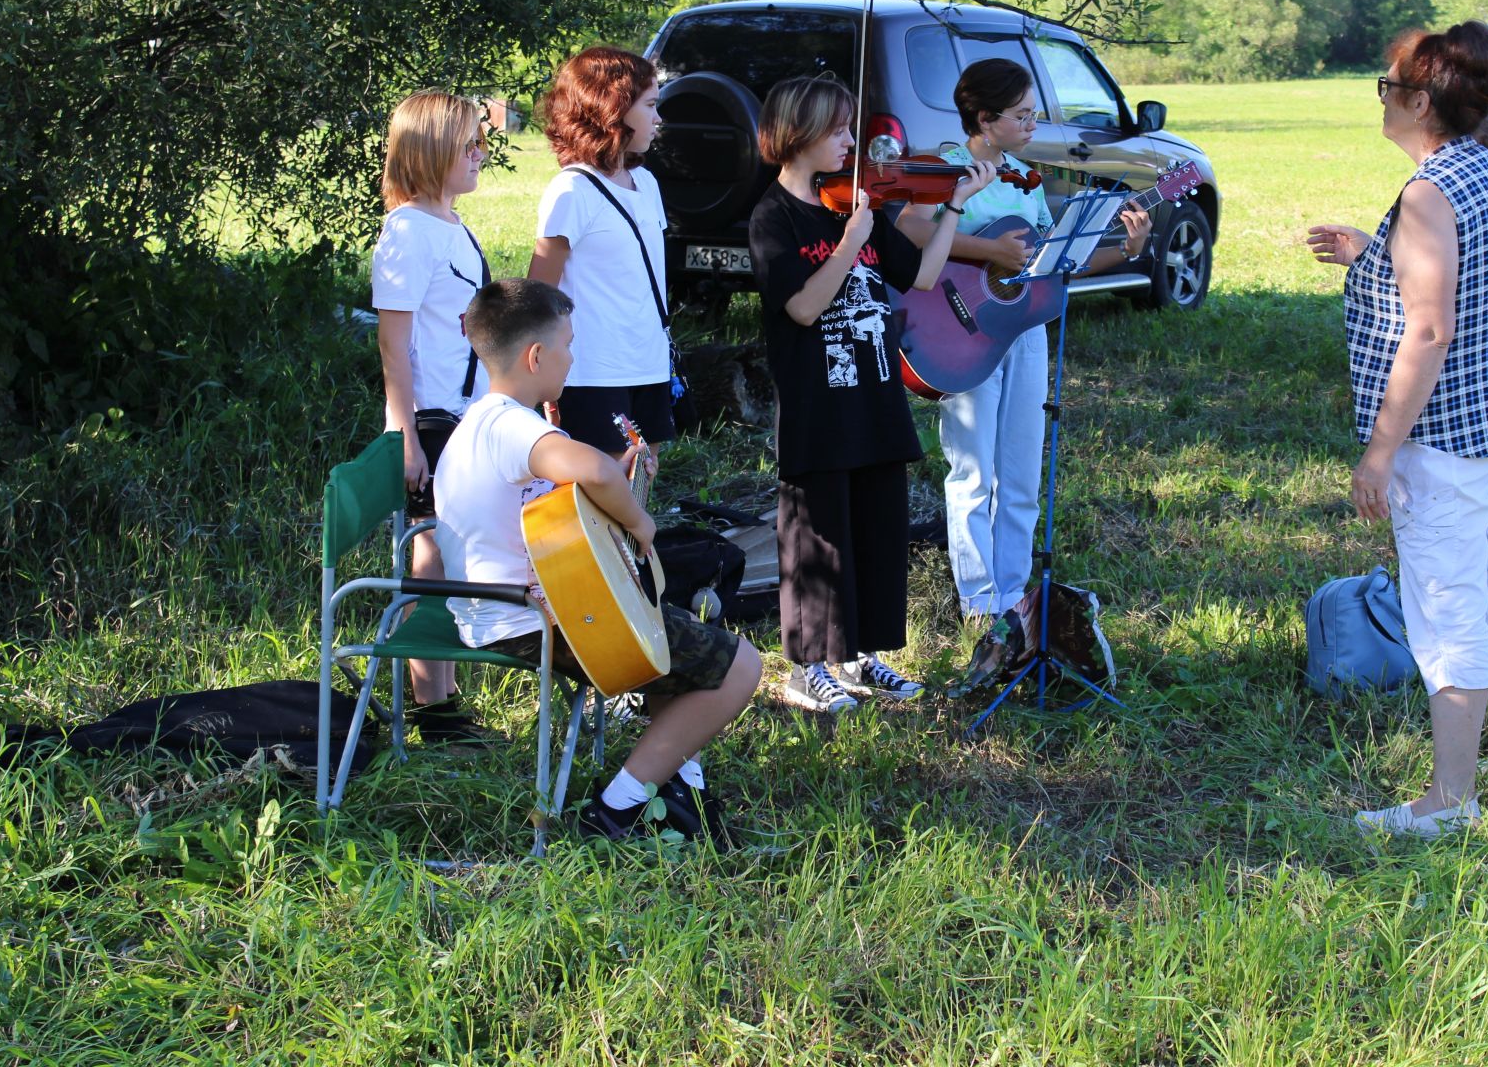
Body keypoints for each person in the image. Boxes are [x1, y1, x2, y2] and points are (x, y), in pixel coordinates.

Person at [1307, 21, 1488, 838]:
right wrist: (1369, 253)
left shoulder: (1428, 193)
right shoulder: (1487, 171)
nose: (1382, 97)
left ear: (1419, 102)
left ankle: (1449, 803)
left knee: (1447, 610)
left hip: (1442, 440)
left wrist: (1379, 452)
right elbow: (1459, 279)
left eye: (1387, 86)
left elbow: (1429, 330)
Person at [432, 278, 762, 842]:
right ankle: (618, 809)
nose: (572, 355)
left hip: (513, 610)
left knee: (665, 630)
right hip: (532, 621)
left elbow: (557, 506)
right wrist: (637, 520)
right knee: (742, 666)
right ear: (536, 356)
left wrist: (615, 483)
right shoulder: (514, 424)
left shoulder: (479, 420)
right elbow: (594, 471)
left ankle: (681, 787)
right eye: (568, 343)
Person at [748, 76, 979, 713]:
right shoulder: (775, 217)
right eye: (840, 131)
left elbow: (924, 275)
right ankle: (807, 668)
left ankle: (861, 658)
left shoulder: (856, 205)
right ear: (798, 135)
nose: (853, 142)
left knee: (877, 529)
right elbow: (800, 306)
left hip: (876, 398)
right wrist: (851, 240)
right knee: (818, 537)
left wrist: (953, 203)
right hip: (818, 406)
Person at [895, 58, 1149, 634]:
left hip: (1024, 332)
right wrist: (987, 254)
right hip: (962, 335)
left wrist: (1127, 250)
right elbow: (910, 230)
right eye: (1023, 115)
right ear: (985, 119)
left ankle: (1013, 593)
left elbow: (1049, 266)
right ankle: (980, 604)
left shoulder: (1026, 177)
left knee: (1021, 472)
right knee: (974, 470)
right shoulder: (945, 168)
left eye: (1034, 114)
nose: (1034, 124)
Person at [371, 90, 493, 742]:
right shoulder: (407, 230)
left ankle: (444, 695)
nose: (480, 156)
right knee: (430, 558)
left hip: (465, 414)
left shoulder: (448, 221)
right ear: (432, 150)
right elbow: (394, 343)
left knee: (450, 555)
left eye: (480, 144)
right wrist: (405, 432)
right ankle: (431, 708)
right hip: (431, 420)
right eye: (469, 145)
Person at [527, 47, 677, 456]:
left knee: (640, 489)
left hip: (647, 365)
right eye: (650, 105)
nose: (658, 118)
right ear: (613, 108)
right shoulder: (571, 191)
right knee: (603, 502)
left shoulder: (646, 183)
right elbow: (538, 295)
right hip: (592, 375)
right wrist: (540, 383)